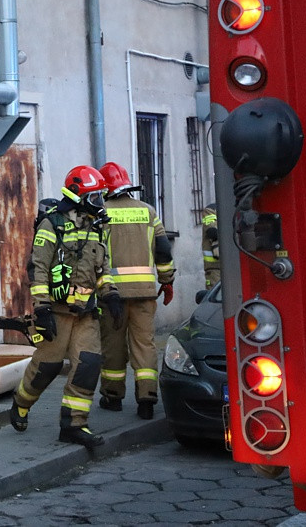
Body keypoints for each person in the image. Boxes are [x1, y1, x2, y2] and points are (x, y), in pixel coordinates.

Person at [10, 165, 119, 449]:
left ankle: (74, 425)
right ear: (78, 197)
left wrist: (111, 294)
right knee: (47, 367)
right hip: (57, 313)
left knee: (88, 365)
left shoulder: (96, 228)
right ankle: (21, 404)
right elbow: (39, 269)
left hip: (86, 314)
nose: (100, 204)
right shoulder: (52, 225)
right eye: (95, 198)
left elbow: (103, 267)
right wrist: (42, 308)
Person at [96, 161, 176, 420]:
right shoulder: (149, 212)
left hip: (113, 296)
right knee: (145, 345)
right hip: (145, 293)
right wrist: (167, 280)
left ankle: (113, 397)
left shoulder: (100, 213)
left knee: (113, 346)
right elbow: (163, 250)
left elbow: (95, 255)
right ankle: (147, 400)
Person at [202, 203, 220, 289]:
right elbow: (212, 232)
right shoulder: (210, 210)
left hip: (233, 267)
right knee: (215, 297)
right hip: (214, 268)